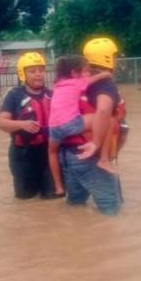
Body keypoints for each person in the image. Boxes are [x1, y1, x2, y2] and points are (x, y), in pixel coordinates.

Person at [58, 37, 128, 215]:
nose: (117, 60)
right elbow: (105, 112)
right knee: (112, 211)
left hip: (69, 155)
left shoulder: (78, 82)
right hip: (91, 155)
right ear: (107, 58)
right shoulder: (106, 85)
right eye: (115, 56)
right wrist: (100, 148)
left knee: (75, 206)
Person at [48, 55, 116, 197]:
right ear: (74, 73)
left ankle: (59, 187)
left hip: (54, 128)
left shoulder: (58, 84)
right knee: (108, 120)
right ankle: (103, 160)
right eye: (85, 70)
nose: (88, 74)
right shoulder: (77, 83)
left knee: (51, 152)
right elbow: (94, 80)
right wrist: (105, 73)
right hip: (70, 124)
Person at [0, 52, 57, 199]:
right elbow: (1, 122)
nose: (38, 75)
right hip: (23, 154)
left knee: (52, 197)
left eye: (41, 70)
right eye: (32, 71)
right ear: (22, 74)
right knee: (25, 198)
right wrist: (21, 124)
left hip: (49, 152)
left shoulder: (52, 94)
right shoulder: (14, 96)